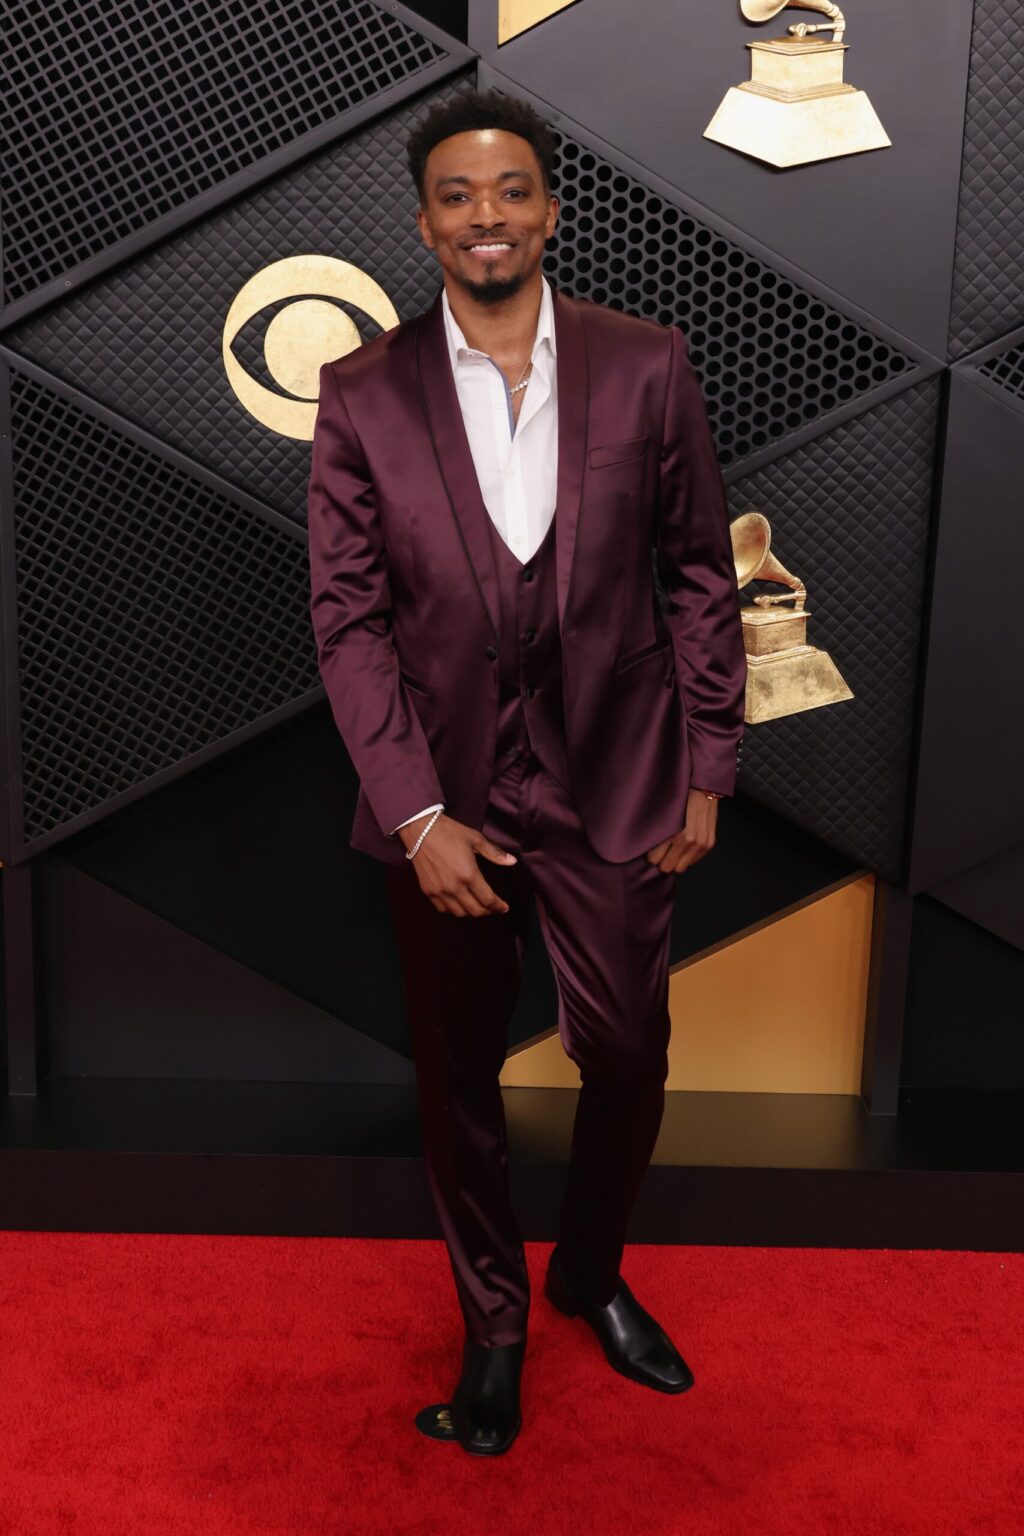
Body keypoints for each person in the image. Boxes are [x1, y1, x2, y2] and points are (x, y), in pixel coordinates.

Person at [307, 87, 747, 1457]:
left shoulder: (643, 363)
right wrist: (416, 810)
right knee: (462, 1083)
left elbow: (694, 573)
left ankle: (592, 1273)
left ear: (552, 208)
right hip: (446, 805)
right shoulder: (362, 392)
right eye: (456, 195)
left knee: (626, 1051)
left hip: (616, 784)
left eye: (509, 191)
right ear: (426, 219)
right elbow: (350, 616)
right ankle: (494, 1325)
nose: (484, 216)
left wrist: (709, 764)